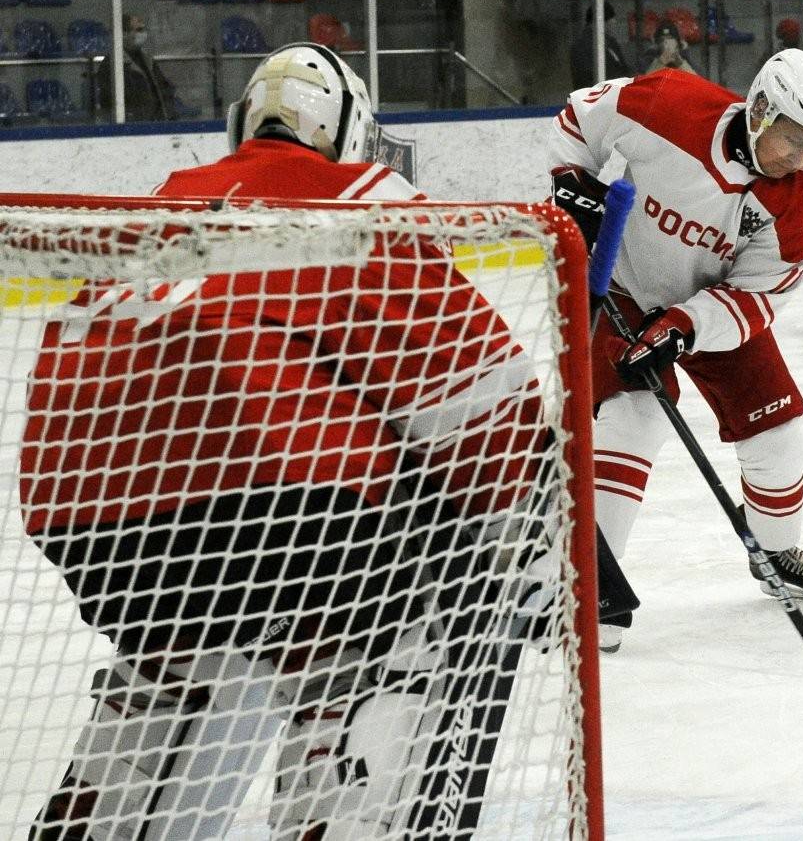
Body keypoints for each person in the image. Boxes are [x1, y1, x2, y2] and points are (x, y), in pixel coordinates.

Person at [24, 42, 555, 840]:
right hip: (273, 508)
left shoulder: (159, 203)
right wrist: (531, 538)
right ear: (350, 132)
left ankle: (108, 797)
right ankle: (338, 800)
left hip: (86, 520)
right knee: (395, 629)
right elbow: (474, 398)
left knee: (183, 658)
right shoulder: (360, 199)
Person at [548, 52, 803, 652]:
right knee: (636, 417)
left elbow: (756, 299)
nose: (801, 160)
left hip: (707, 309)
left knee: (778, 429)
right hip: (622, 284)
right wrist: (571, 181)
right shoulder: (670, 104)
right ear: (760, 111)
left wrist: (685, 327)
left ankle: (774, 552)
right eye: (793, 141)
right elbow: (579, 119)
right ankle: (589, 590)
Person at [98, 14, 180, 121]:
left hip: (155, 123)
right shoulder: (111, 65)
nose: (143, 34)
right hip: (132, 125)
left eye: (143, 29)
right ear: (124, 34)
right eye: (139, 30)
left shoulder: (147, 60)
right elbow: (110, 101)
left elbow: (163, 89)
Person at [570, 1, 633, 90]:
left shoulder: (610, 42)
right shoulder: (583, 45)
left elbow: (624, 69)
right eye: (611, 19)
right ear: (602, 21)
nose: (614, 22)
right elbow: (586, 77)